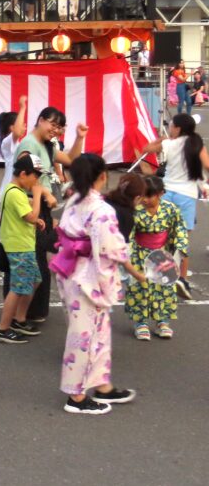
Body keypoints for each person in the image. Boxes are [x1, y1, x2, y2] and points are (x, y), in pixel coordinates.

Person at [49, 154, 145, 415]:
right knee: (83, 334)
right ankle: (76, 396)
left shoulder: (75, 199)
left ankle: (102, 384)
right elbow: (113, 248)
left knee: (98, 331)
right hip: (86, 276)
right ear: (102, 176)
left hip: (71, 269)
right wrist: (136, 270)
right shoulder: (101, 210)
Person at [13, 107, 87, 321]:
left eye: (59, 127)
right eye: (53, 125)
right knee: (35, 261)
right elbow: (23, 176)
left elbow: (72, 159)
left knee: (40, 259)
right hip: (30, 204)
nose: (56, 130)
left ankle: (32, 312)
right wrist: (44, 192)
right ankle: (25, 314)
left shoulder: (46, 145)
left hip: (41, 204)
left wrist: (79, 138)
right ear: (41, 120)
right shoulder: (29, 145)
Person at [141, 113, 207, 300]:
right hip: (187, 195)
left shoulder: (169, 143)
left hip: (167, 192)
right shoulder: (196, 143)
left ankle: (158, 273)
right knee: (182, 239)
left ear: (178, 128)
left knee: (161, 235)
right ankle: (182, 279)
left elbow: (146, 148)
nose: (169, 128)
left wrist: (163, 138)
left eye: (171, 126)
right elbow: (208, 165)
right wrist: (202, 182)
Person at [0, 156, 49, 345]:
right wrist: (38, 194)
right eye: (35, 176)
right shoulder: (15, 192)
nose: (36, 181)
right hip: (19, 247)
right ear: (23, 174)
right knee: (17, 288)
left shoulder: (14, 191)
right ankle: (2, 329)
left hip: (22, 244)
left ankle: (19, 319)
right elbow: (31, 216)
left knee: (34, 280)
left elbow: (26, 212)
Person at [125, 176, 187, 340]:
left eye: (149, 196)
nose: (144, 200)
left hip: (162, 254)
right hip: (139, 254)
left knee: (164, 289)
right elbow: (129, 233)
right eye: (142, 195)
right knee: (141, 288)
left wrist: (180, 249)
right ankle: (141, 323)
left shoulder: (170, 209)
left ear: (160, 193)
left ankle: (162, 322)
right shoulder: (135, 209)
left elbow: (179, 229)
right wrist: (126, 251)